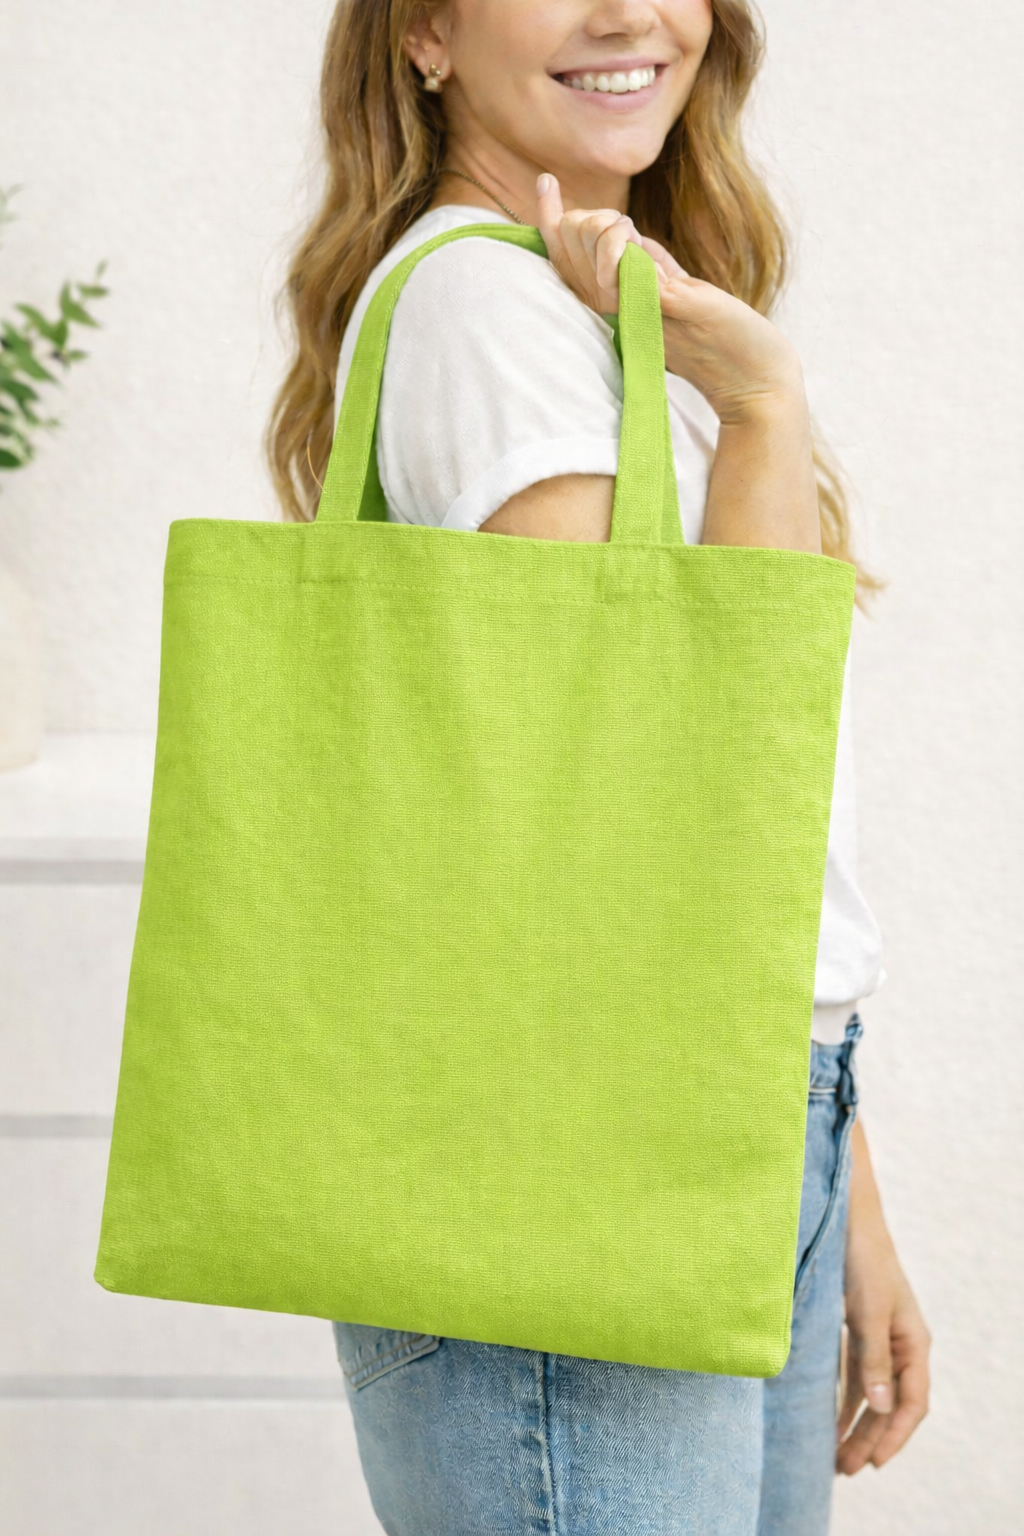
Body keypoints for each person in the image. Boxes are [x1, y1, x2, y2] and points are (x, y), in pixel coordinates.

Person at [268, 2, 931, 1531]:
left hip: (731, 1108)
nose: (630, 12)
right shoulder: (486, 313)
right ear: (426, 33)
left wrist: (838, 1181)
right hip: (584, 1149)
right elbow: (671, 780)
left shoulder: (602, 317)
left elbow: (728, 881)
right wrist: (762, 406)